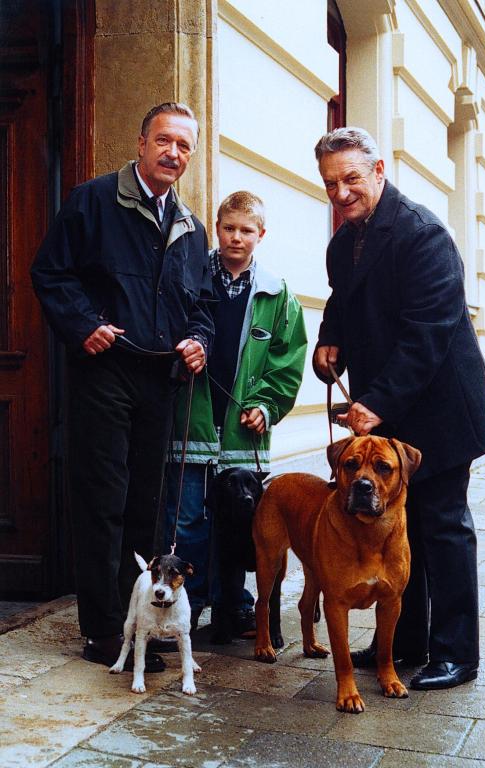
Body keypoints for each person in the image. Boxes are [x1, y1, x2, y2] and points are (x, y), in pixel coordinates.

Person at [31, 102, 214, 670]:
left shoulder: (191, 226)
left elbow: (201, 306)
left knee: (146, 505)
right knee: (102, 501)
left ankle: (137, 620)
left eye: (184, 146)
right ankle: (103, 629)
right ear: (140, 143)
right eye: (164, 141)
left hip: (160, 380)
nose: (173, 154)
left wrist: (198, 341)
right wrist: (83, 325)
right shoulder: (92, 200)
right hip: (104, 374)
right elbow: (50, 272)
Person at [313, 127, 485, 690]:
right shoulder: (344, 242)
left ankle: (457, 652)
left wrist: (375, 404)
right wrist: (328, 340)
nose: (341, 193)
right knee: (400, 532)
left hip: (441, 408)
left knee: (442, 528)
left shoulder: (423, 234)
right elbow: (344, 302)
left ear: (379, 171)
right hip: (387, 406)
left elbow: (429, 334)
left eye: (351, 178)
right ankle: (406, 642)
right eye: (330, 183)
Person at [165, 190, 307, 635]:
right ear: (217, 227)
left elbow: (287, 362)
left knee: (242, 526)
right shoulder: (192, 276)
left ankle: (236, 606)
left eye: (247, 230)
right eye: (228, 228)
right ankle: (187, 606)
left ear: (260, 235)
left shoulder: (277, 294)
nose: (236, 237)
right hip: (193, 423)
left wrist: (266, 406)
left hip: (243, 435)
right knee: (187, 521)